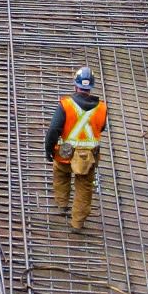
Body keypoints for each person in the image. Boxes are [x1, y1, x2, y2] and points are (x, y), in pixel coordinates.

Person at [45, 67, 108, 233]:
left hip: (67, 150)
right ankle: (77, 223)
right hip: (88, 155)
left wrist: (49, 149)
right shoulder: (102, 108)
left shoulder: (65, 104)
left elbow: (53, 130)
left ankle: (62, 204)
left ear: (76, 86)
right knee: (84, 187)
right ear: (91, 87)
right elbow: (101, 128)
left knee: (61, 174)